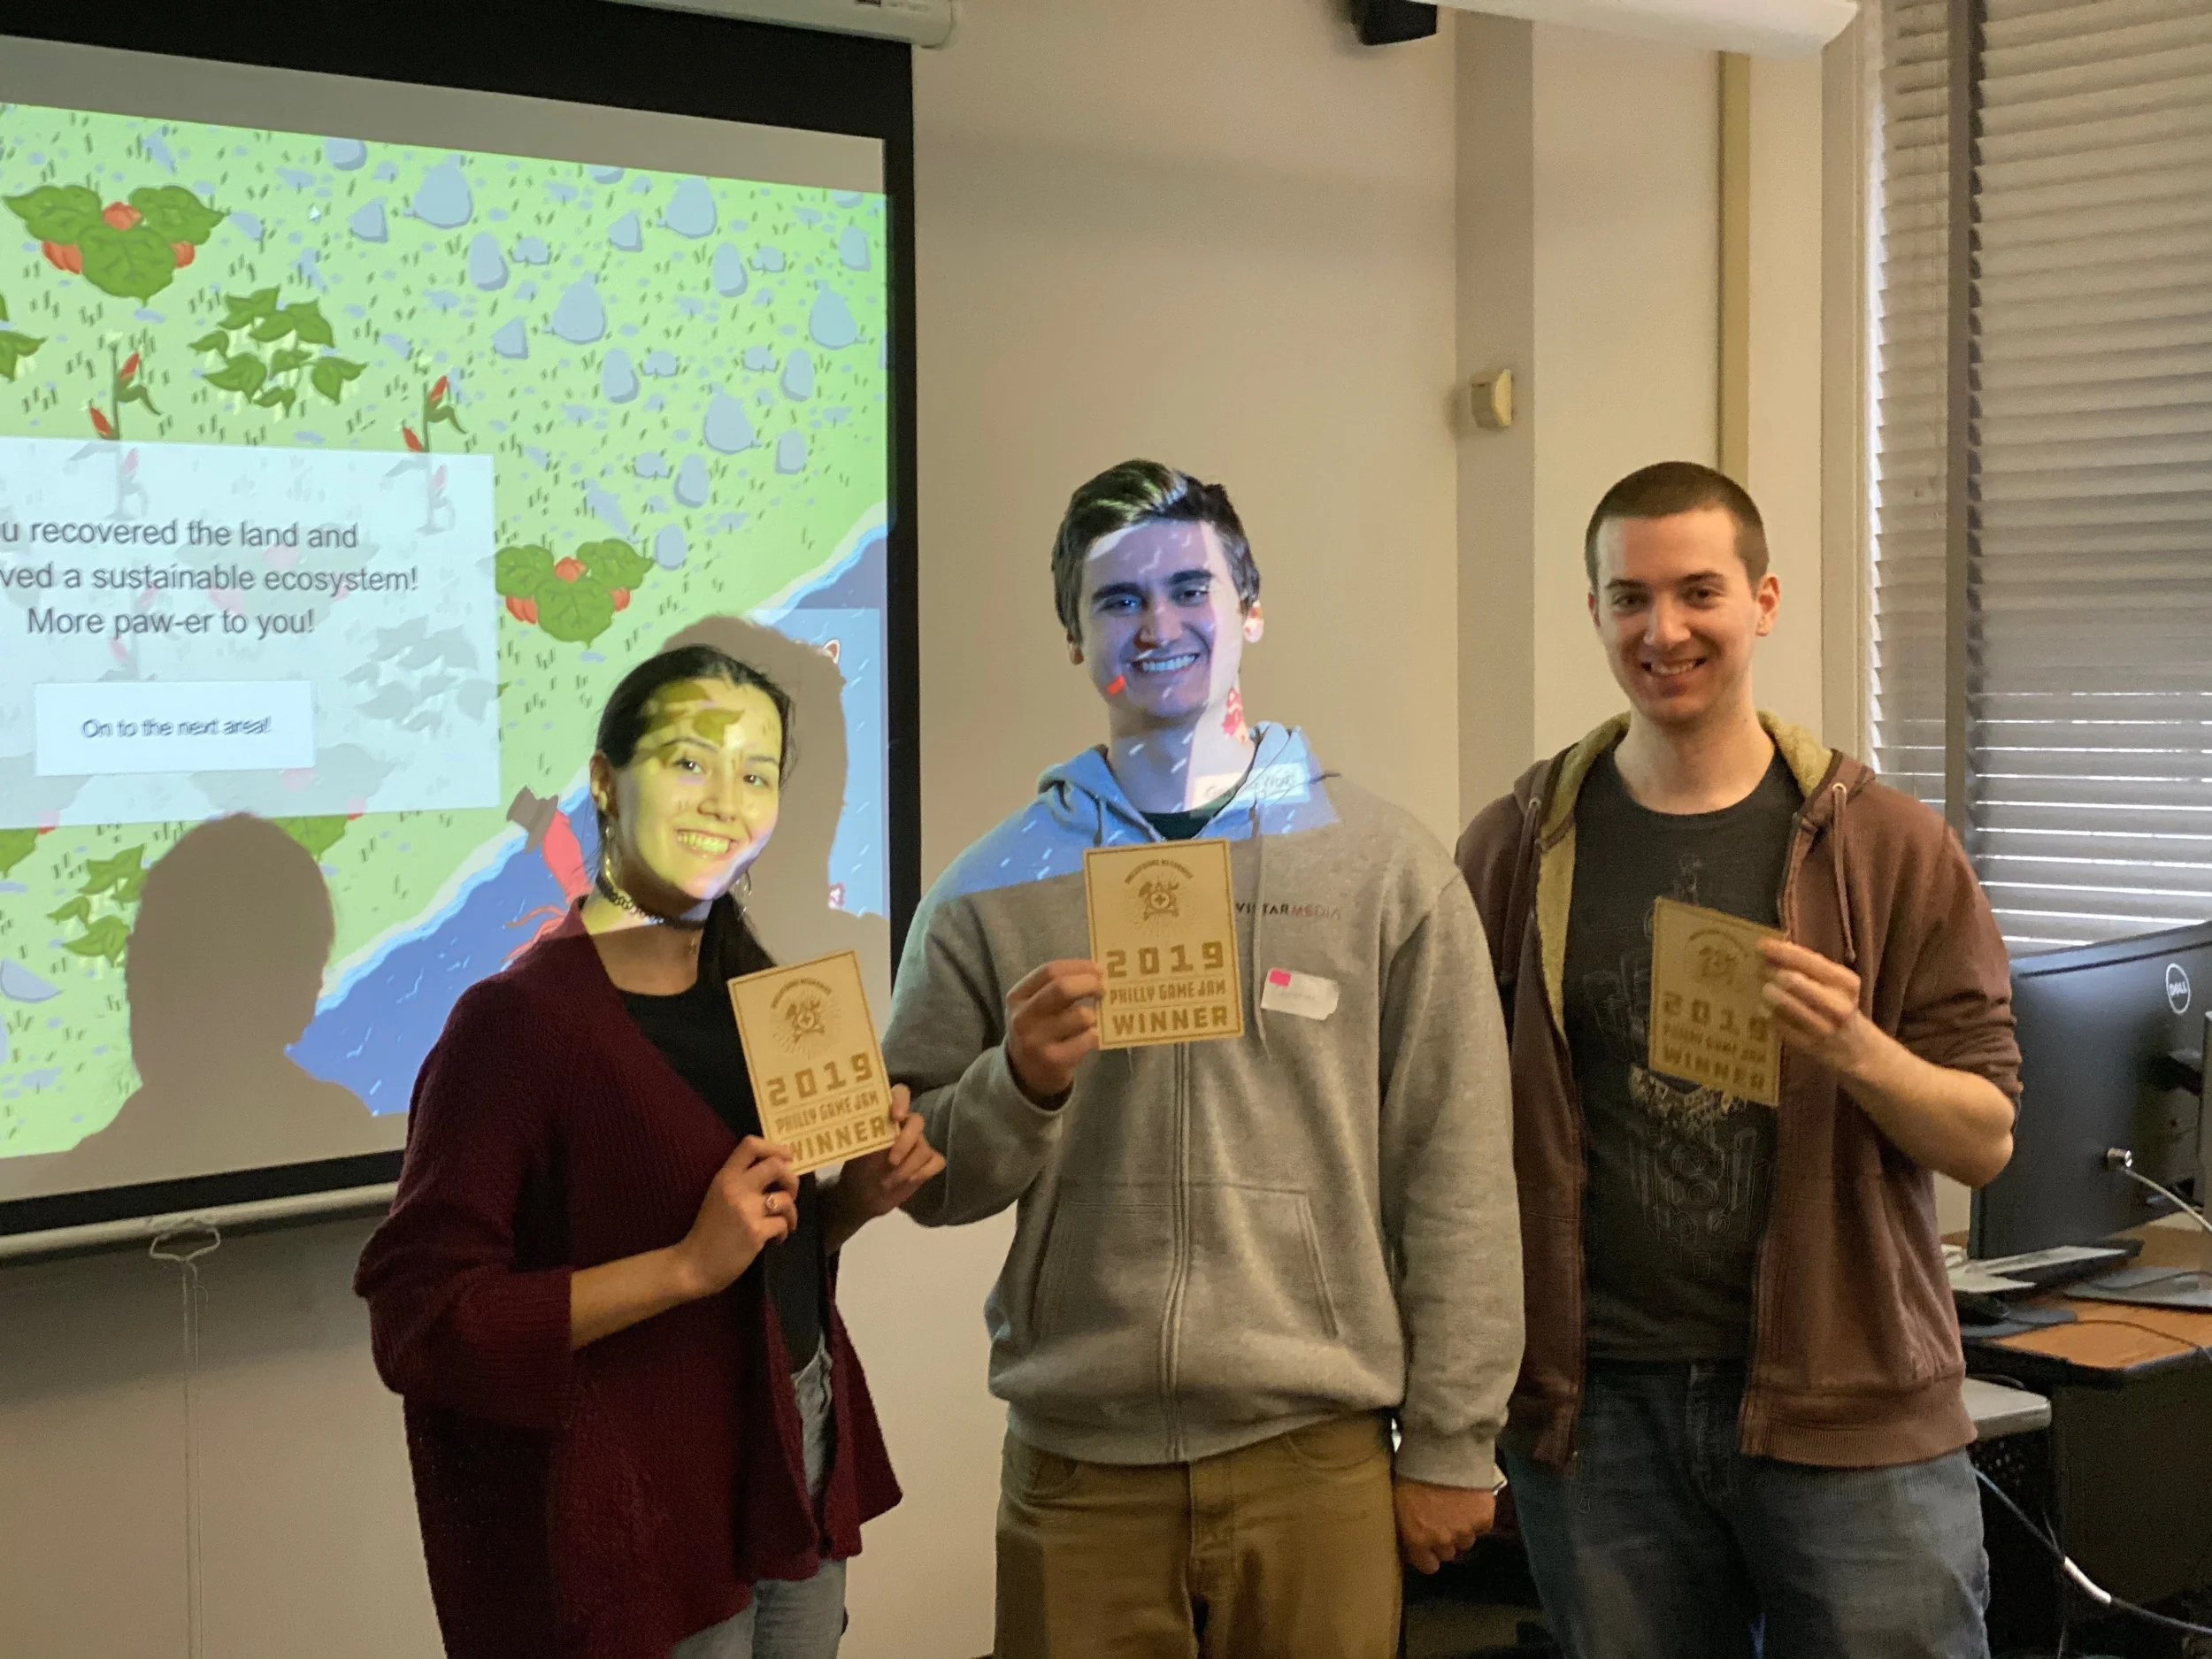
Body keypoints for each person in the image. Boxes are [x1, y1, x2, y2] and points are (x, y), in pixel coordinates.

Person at [883, 459, 1523, 1659]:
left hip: (1316, 1450)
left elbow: (1460, 1166)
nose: (1160, 624)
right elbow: (922, 1171)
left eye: (1191, 587)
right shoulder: (990, 884)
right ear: (1074, 634)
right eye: (1118, 599)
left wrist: (1452, 1437)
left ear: (1251, 609)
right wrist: (1014, 1084)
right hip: (1080, 1464)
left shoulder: (1384, 867)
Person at [1456, 462, 2020, 1659]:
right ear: (1599, 612)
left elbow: (1984, 1134)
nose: (1663, 630)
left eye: (1697, 591)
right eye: (1629, 598)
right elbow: (1447, 1126)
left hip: (1849, 1404)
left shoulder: (1890, 846)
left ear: (1763, 599)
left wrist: (1858, 1048)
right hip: (1598, 1420)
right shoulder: (1519, 843)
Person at [356, 645, 944, 1659]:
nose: (724, 799)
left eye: (754, 774)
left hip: (789, 1451)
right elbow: (424, 1323)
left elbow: (765, 1246)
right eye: (687, 762)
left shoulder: (765, 997)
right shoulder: (514, 1025)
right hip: (640, 1506)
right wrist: (681, 1266)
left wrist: (854, 1201)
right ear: (601, 781)